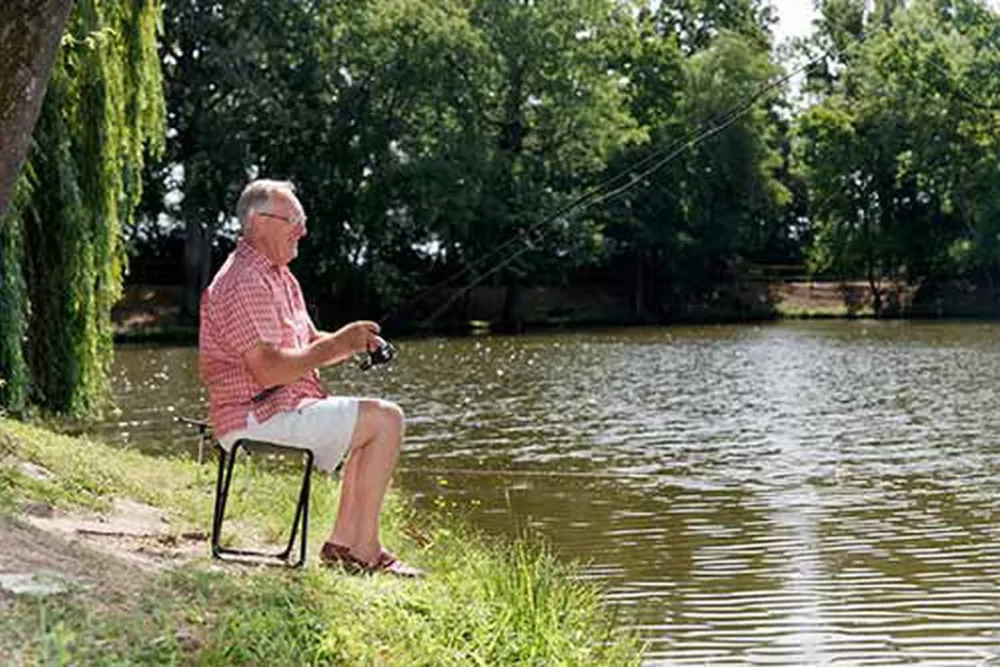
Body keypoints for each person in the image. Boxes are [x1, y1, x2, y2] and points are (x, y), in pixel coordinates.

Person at [198, 178, 421, 577]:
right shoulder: (243, 281)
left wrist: (354, 342)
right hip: (257, 415)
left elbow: (308, 341)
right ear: (259, 222)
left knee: (373, 425)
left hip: (286, 407)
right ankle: (366, 551)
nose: (302, 229)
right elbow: (268, 369)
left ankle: (342, 546)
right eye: (294, 220)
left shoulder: (279, 276)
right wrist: (338, 345)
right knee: (386, 419)